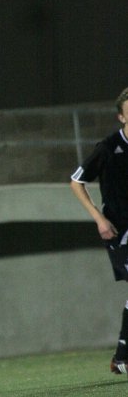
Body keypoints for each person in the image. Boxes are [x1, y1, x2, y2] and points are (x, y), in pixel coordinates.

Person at [70, 87, 128, 375]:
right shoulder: (107, 148)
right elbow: (75, 182)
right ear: (121, 117)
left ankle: (121, 356)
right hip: (119, 230)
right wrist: (99, 219)